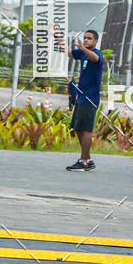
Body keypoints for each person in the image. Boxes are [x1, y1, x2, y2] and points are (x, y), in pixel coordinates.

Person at [55, 30, 103, 171]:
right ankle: (88, 160)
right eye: (85, 38)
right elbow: (69, 52)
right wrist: (56, 36)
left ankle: (83, 160)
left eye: (89, 38)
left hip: (90, 98)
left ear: (95, 41)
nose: (86, 40)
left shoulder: (97, 54)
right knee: (77, 128)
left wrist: (83, 49)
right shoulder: (82, 53)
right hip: (81, 97)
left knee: (86, 130)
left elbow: (95, 58)